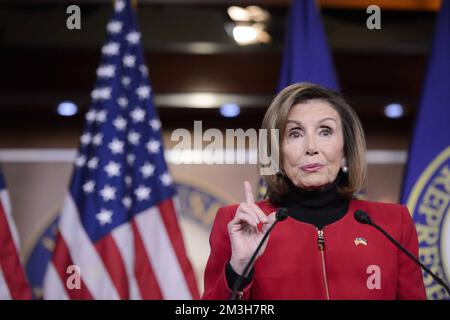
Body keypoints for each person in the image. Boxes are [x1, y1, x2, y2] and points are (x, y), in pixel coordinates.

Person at [201, 83, 426, 300]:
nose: (311, 148)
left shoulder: (394, 224)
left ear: (346, 151)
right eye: (295, 133)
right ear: (276, 153)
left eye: (325, 131)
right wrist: (238, 270)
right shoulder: (238, 224)